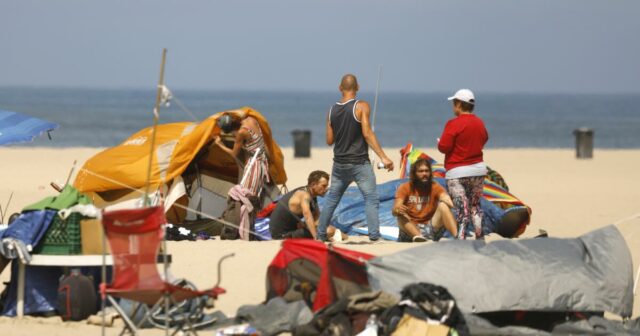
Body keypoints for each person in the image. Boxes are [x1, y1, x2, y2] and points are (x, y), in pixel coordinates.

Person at [316, 74, 394, 242]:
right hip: (359, 163)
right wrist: (383, 157)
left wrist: (341, 128)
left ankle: (321, 234)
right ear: (357, 87)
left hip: (339, 164)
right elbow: (367, 133)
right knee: (371, 198)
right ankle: (374, 236)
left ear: (340, 88)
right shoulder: (362, 106)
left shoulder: (332, 110)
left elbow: (329, 141)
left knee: (332, 199)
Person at [437, 89, 489, 239]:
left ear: (459, 104)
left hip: (457, 172)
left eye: (454, 103)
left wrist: (440, 144)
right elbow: (484, 139)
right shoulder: (479, 122)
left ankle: (461, 239)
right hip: (478, 170)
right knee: (475, 205)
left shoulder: (453, 124)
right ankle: (480, 236)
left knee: (462, 209)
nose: (453, 106)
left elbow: (444, 147)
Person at [392, 158, 458, 242]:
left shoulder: (434, 186)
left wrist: (457, 206)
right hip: (410, 230)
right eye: (421, 171)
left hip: (430, 228)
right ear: (414, 174)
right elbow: (395, 209)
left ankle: (458, 237)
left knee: (443, 205)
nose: (424, 174)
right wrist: (397, 209)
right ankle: (419, 237)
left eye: (427, 171)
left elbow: (445, 198)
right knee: (400, 214)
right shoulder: (404, 187)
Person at [214, 111, 270, 197]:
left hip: (254, 166)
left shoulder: (241, 133)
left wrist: (219, 144)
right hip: (263, 160)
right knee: (254, 196)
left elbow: (233, 154)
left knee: (247, 196)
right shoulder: (251, 119)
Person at [269, 170, 329, 239]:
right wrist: (316, 238)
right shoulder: (303, 195)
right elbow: (307, 216)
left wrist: (310, 225)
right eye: (324, 186)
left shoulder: (312, 195)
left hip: (293, 230)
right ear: (313, 185)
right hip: (282, 235)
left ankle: (342, 237)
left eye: (327, 186)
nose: (326, 189)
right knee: (329, 230)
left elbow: (318, 218)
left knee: (327, 229)